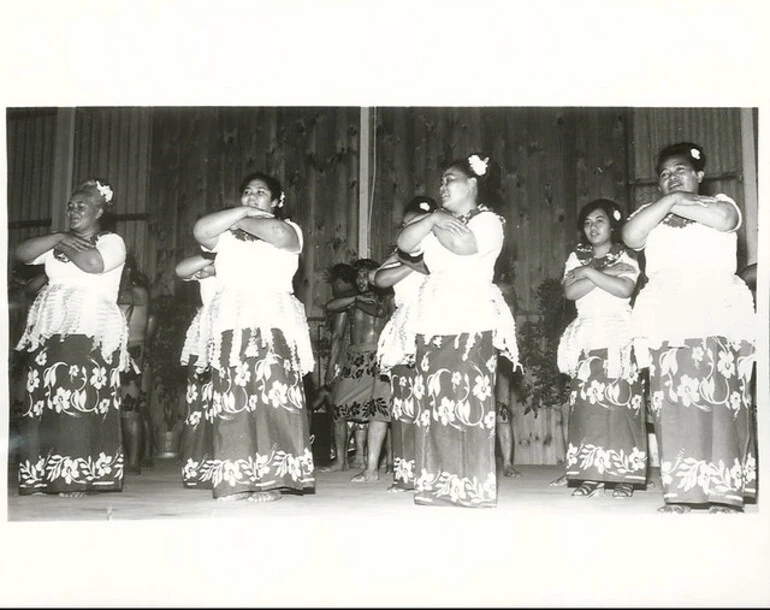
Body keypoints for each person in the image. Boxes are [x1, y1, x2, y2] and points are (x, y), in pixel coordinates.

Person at [623, 142, 756, 514]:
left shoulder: (722, 203)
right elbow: (632, 237)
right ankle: (681, 493)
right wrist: (668, 203)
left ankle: (724, 495)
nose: (671, 178)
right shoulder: (649, 213)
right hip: (669, 316)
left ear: (699, 175)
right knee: (674, 402)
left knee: (720, 400)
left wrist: (673, 202)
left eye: (679, 171)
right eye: (664, 174)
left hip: (717, 313)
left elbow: (726, 223)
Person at [396, 153, 520, 508]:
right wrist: (434, 216)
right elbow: (405, 244)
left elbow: (464, 246)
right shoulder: (437, 220)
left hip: (471, 316)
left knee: (467, 399)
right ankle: (437, 484)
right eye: (441, 181)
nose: (442, 186)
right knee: (435, 401)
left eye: (449, 179)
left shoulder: (489, 221)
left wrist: (434, 220)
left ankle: (472, 486)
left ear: (472, 184)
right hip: (434, 317)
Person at [193, 171, 315, 502]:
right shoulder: (227, 236)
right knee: (232, 400)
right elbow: (201, 230)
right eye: (246, 192)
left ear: (277, 202)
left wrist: (239, 218)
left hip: (271, 321)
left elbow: (276, 232)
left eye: (261, 193)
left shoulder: (291, 230)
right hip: (232, 322)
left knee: (272, 399)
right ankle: (235, 480)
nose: (251, 197)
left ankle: (273, 481)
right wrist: (242, 215)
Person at [15, 178, 128, 497]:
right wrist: (59, 237)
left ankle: (74, 477)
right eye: (70, 205)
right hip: (51, 330)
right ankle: (40, 477)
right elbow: (22, 253)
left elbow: (93, 265)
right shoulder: (59, 240)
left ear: (99, 211)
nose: (73, 209)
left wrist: (62, 243)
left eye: (82, 205)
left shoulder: (112, 241)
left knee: (77, 398)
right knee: (43, 400)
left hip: (89, 328)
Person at [557, 198, 646, 499]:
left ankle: (624, 477)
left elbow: (624, 288)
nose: (593, 227)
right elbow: (571, 291)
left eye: (599, 221)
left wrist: (589, 273)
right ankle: (592, 475)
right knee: (588, 408)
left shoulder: (628, 255)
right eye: (587, 223)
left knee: (621, 406)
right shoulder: (576, 256)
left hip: (618, 334)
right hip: (587, 337)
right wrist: (603, 273)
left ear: (612, 225)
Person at [374, 195, 437, 491]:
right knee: (404, 402)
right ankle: (407, 473)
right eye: (404, 225)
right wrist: (412, 263)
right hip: (405, 324)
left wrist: (414, 262)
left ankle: (433, 471)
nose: (408, 229)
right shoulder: (400, 253)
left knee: (432, 401)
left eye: (415, 224)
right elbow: (380, 279)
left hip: (434, 321)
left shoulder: (441, 248)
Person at [320, 258, 392, 477]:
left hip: (379, 356)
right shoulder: (349, 302)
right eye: (358, 276)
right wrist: (331, 367)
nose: (362, 280)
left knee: (381, 411)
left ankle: (390, 461)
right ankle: (341, 461)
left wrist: (356, 301)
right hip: (355, 358)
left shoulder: (387, 297)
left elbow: (380, 312)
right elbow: (335, 324)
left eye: (366, 275)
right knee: (339, 408)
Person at [175, 251, 219, 489]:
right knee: (200, 402)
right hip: (205, 333)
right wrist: (212, 260)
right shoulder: (211, 258)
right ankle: (200, 470)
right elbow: (182, 270)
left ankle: (228, 467)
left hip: (237, 325)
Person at [117, 252, 154, 473]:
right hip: (120, 350)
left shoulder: (137, 293)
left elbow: (123, 302)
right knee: (123, 408)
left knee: (130, 408)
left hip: (132, 350)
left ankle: (133, 462)